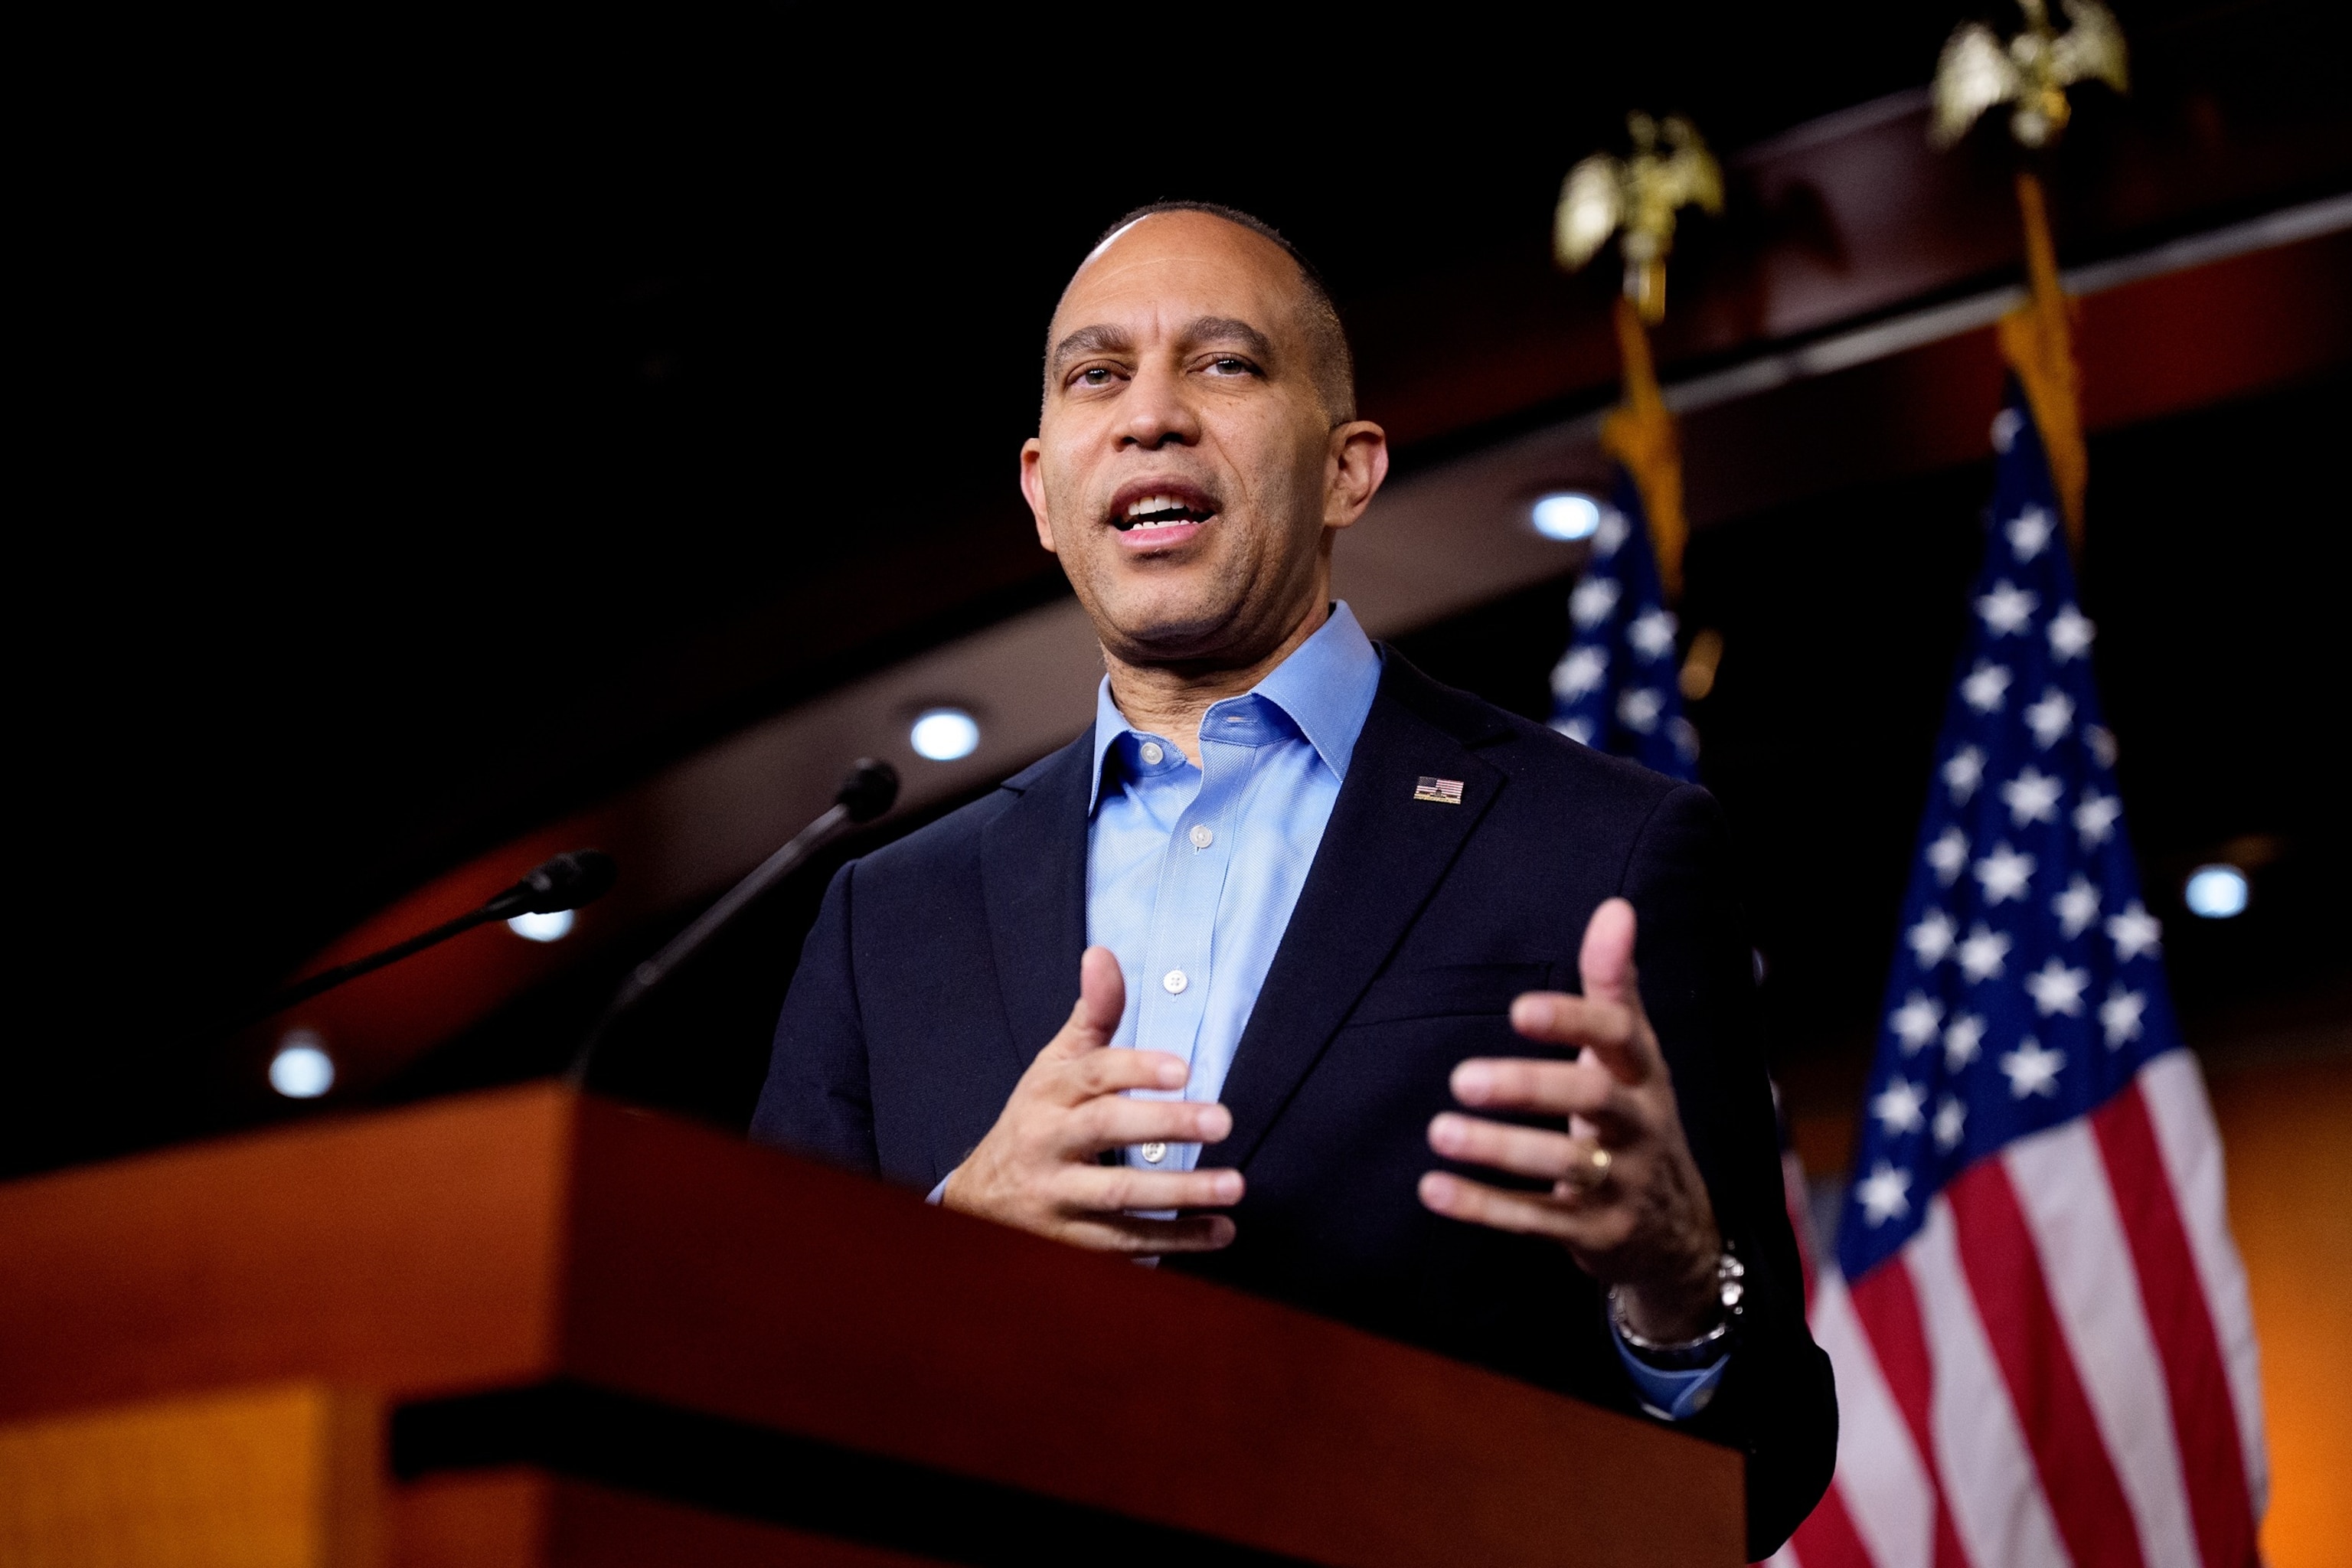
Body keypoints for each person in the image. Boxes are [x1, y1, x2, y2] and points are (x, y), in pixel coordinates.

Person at [752, 202, 1834, 1555]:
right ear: (1041, 492)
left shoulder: (1598, 849)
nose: (1150, 416)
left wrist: (1675, 1288)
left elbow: (1769, 1462)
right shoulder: (884, 919)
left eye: (1225, 364)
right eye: (1098, 375)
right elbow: (732, 1387)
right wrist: (948, 1248)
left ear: (1347, 471)